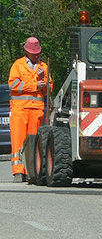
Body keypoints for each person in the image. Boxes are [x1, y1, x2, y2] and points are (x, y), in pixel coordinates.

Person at [8, 37, 53, 183]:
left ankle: (32, 172)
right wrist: (35, 84)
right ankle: (18, 171)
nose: (37, 55)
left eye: (38, 52)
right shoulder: (18, 65)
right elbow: (13, 85)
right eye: (34, 53)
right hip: (20, 110)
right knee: (19, 141)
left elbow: (49, 89)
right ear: (27, 52)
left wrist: (43, 81)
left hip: (37, 110)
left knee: (34, 142)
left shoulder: (44, 67)